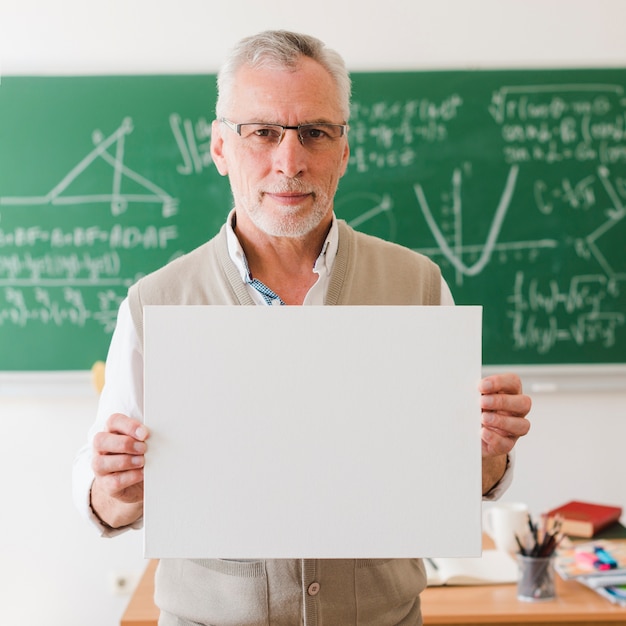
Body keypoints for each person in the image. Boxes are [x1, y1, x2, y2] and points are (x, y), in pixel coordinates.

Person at [73, 30, 531, 626]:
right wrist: (114, 488)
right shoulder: (155, 304)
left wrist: (491, 453)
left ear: (343, 151)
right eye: (262, 132)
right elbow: (107, 500)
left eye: (315, 133)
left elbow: (462, 474)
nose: (289, 162)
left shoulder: (417, 288)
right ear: (219, 147)